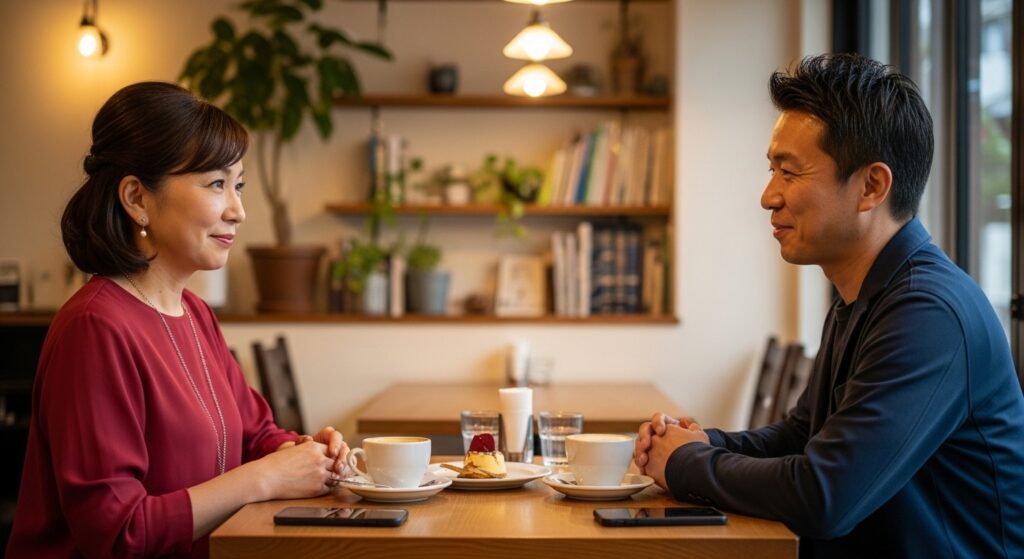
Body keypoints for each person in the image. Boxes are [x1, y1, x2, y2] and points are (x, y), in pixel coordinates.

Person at [634, 54, 1024, 558]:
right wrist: (706, 444)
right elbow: (804, 435)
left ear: (871, 186)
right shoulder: (866, 292)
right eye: (772, 170)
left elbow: (826, 495)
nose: (768, 196)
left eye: (789, 173)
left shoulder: (927, 312)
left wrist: (685, 463)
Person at [6, 82, 351, 558]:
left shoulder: (195, 313)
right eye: (216, 184)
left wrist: (306, 453)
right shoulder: (94, 327)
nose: (238, 211)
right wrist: (264, 478)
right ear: (137, 198)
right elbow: (116, 532)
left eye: (238, 185)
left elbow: (254, 435)